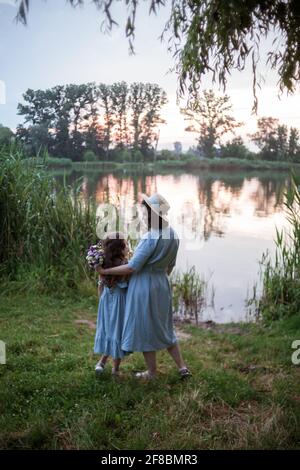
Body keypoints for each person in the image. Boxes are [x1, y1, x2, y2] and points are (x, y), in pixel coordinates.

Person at [96, 193, 191, 380]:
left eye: (146, 213)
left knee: (146, 328)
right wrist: (159, 280)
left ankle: (152, 373)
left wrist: (104, 272)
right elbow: (170, 265)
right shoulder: (173, 235)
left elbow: (132, 267)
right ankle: (182, 368)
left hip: (143, 286)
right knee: (165, 327)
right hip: (162, 283)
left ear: (155, 214)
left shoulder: (150, 237)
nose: (144, 217)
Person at [94, 232, 129, 376]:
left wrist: (101, 301)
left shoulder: (103, 263)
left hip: (106, 298)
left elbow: (100, 284)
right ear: (121, 248)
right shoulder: (124, 265)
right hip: (119, 300)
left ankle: (101, 363)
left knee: (108, 330)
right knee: (117, 332)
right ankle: (115, 369)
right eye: (126, 244)